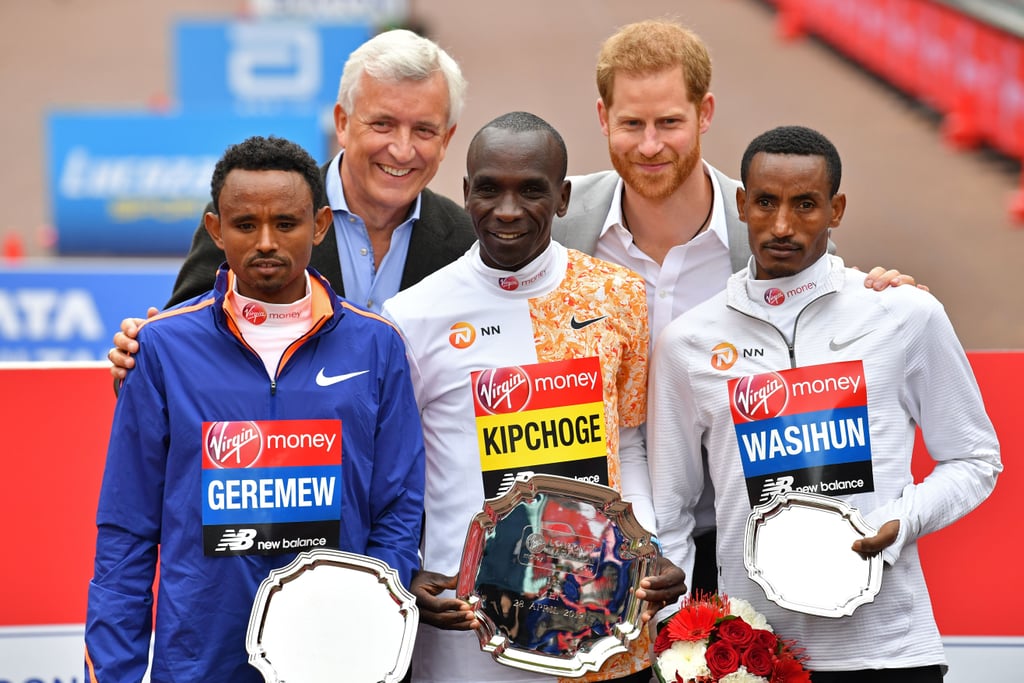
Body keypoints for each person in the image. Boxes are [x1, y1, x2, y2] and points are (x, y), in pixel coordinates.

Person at [552, 18, 918, 596]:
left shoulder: (766, 231)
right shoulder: (554, 221)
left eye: (670, 121)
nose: (650, 145)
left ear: (705, 113)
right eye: (631, 123)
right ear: (603, 118)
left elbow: (832, 344)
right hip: (578, 546)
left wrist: (880, 296)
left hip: (736, 544)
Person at [646, 125, 1001, 681]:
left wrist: (901, 522)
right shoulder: (688, 343)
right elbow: (671, 514)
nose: (782, 225)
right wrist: (679, 646)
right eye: (765, 202)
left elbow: (976, 460)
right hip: (748, 655)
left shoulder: (902, 314)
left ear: (836, 210)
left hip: (888, 650)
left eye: (805, 205)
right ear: (742, 205)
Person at [84, 136, 426, 682]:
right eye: (246, 225)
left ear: (319, 226)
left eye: (286, 224)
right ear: (215, 229)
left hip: (336, 662)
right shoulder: (162, 349)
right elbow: (126, 533)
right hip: (198, 661)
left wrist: (364, 629)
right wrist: (113, 674)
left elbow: (397, 511)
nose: (266, 242)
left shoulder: (377, 345)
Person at [381, 112, 686, 683]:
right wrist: (410, 570)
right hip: (467, 622)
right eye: (489, 188)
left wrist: (651, 549)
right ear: (465, 192)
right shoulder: (411, 316)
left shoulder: (618, 296)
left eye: (532, 190)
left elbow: (631, 446)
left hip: (599, 614)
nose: (507, 209)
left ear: (564, 197)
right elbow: (394, 474)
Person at [109, 28, 475, 381]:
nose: (402, 148)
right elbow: (179, 354)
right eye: (383, 124)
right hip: (273, 442)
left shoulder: (468, 243)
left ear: (447, 139)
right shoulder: (249, 216)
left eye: (424, 130)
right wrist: (136, 356)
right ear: (342, 123)